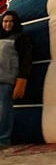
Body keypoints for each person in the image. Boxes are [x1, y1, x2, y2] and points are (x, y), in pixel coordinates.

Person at [0, 10, 32, 149]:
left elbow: (26, 60)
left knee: (4, 110)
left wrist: (22, 79)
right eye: (5, 21)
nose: (8, 24)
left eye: (11, 21)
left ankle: (3, 140)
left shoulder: (21, 38)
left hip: (7, 79)